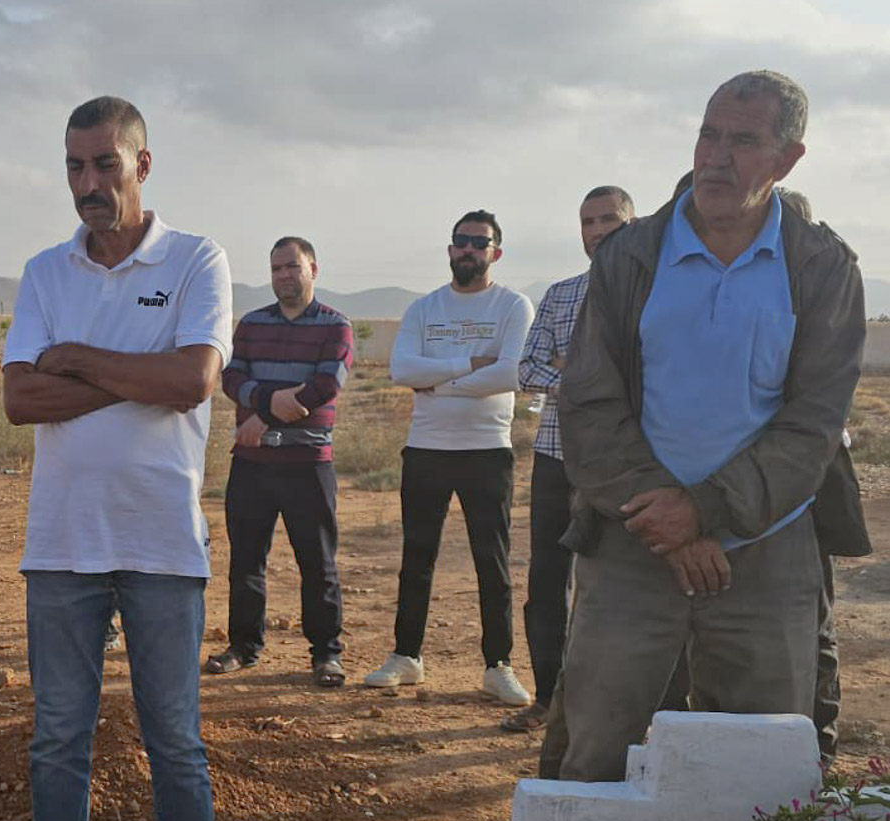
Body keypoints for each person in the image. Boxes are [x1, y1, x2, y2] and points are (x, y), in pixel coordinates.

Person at [0, 95, 255, 821]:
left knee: (174, 741)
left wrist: (78, 358)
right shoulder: (45, 270)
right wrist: (138, 375)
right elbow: (19, 399)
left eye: (105, 163)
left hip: (160, 542)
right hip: (61, 542)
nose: (89, 182)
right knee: (57, 738)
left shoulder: (195, 259)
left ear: (142, 164)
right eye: (75, 166)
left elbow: (194, 379)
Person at [557, 71, 864, 781]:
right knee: (597, 753)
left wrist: (702, 511)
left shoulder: (821, 266)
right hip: (632, 540)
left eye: (743, 142)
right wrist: (667, 520)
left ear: (788, 159)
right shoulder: (630, 255)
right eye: (707, 134)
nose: (716, 158)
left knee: (762, 768)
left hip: (765, 549)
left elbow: (811, 426)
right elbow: (589, 402)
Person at [363, 212, 534, 707]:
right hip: (427, 449)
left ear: (495, 252)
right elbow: (402, 370)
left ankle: (498, 665)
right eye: (461, 241)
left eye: (480, 243)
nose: (469, 249)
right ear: (450, 249)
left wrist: (436, 382)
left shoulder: (512, 305)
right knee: (416, 559)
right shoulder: (424, 308)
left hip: (487, 451)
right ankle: (406, 656)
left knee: (491, 562)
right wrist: (470, 364)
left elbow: (510, 373)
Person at [500, 187, 636, 733]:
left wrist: (570, 371)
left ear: (632, 223)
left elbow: (644, 376)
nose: (597, 231)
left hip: (624, 463)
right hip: (557, 457)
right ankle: (547, 699)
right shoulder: (560, 295)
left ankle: (616, 707)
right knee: (547, 581)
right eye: (587, 222)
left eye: (608, 220)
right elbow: (526, 368)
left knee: (620, 584)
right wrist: (590, 378)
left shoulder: (653, 292)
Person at [209, 236, 352, 687]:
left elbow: (323, 388)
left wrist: (261, 415)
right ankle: (243, 647)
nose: (284, 276)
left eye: (293, 266)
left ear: (313, 269)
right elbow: (231, 378)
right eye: (276, 269)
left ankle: (326, 654)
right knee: (246, 561)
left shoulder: (335, 326)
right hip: (252, 463)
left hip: (308, 463)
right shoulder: (252, 324)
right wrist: (271, 405)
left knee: (318, 563)